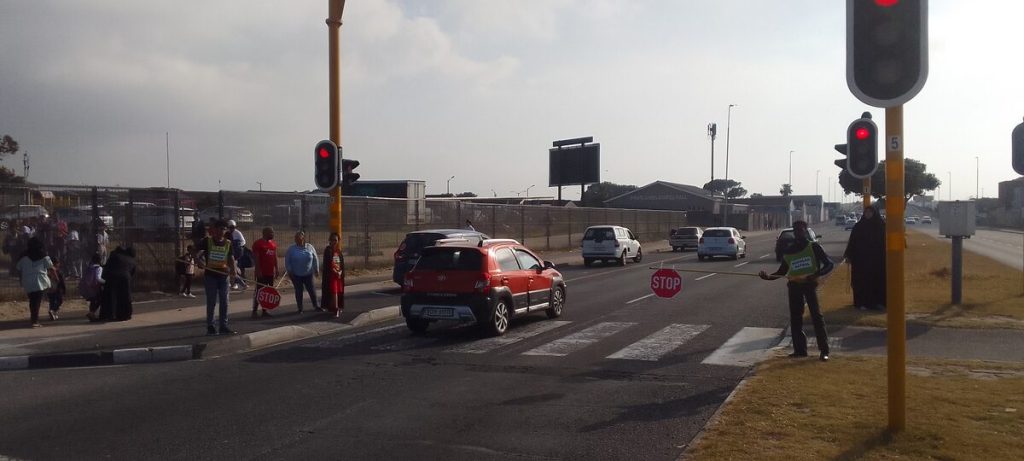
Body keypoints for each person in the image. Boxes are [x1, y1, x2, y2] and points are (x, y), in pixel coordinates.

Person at [759, 220, 835, 362]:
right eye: (795, 230)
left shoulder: (814, 247)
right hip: (794, 287)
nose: (798, 232)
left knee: (816, 317)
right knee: (795, 319)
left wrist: (816, 274)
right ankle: (800, 350)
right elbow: (781, 272)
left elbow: (829, 264)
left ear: (805, 231)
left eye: (800, 230)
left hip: (810, 286)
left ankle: (824, 350)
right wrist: (767, 277)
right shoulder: (789, 250)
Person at [196, 219, 236, 335]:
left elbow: (231, 259)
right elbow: (194, 251)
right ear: (214, 229)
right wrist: (198, 261)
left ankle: (223, 325)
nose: (221, 231)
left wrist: (233, 273)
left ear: (226, 230)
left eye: (223, 229)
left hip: (224, 276)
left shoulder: (228, 243)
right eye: (219, 229)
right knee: (211, 301)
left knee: (224, 301)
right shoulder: (207, 241)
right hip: (211, 276)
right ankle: (211, 326)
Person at [844, 205, 887, 311]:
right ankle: (861, 303)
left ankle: (879, 303)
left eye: (870, 212)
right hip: (861, 261)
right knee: (861, 282)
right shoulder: (859, 226)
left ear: (874, 213)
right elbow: (852, 241)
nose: (868, 214)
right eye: (866, 212)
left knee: (878, 281)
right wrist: (849, 255)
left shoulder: (881, 225)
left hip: (878, 260)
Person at [14, 237, 54, 328]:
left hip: (27, 282)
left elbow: (18, 268)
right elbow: (50, 266)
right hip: (40, 281)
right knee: (36, 301)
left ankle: (34, 319)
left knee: (32, 301)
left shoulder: (23, 256)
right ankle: (34, 321)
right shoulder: (44, 255)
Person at [285, 231, 320, 313]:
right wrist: (290, 271)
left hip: (308, 273)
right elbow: (287, 261)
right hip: (296, 274)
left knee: (311, 290)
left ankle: (316, 306)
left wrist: (316, 269)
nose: (296, 239)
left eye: (298, 238)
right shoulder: (291, 249)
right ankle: (300, 308)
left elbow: (315, 258)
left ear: (303, 238)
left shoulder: (310, 247)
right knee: (298, 291)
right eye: (295, 238)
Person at [99, 246, 136, 321]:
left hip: (113, 276)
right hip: (125, 278)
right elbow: (132, 273)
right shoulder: (132, 260)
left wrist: (104, 278)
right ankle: (125, 314)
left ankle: (110, 314)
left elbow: (107, 267)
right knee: (125, 296)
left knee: (111, 296)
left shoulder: (115, 256)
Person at [250, 227, 279, 319]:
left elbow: (274, 257)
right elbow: (256, 259)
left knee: (268, 292)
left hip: (270, 273)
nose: (273, 234)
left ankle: (265, 310)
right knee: (259, 292)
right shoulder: (258, 244)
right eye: (271, 233)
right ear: (265, 233)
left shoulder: (273, 244)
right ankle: (254, 311)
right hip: (262, 273)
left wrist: (277, 269)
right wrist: (258, 271)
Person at [321, 232, 344, 319]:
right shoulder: (328, 250)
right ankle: (336, 309)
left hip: (338, 276)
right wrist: (336, 272)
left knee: (338, 293)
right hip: (331, 276)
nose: (334, 241)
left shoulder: (338, 251)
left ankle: (336, 307)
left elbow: (341, 264)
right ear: (330, 240)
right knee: (334, 293)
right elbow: (329, 264)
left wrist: (340, 272)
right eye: (332, 240)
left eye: (336, 240)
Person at [82, 253, 106, 321]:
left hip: (87, 287)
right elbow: (98, 278)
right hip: (95, 287)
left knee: (93, 301)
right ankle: (92, 313)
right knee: (99, 300)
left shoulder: (89, 267)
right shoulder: (99, 268)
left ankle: (91, 313)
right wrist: (106, 282)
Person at [226, 220, 248, 290]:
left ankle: (240, 284)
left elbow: (243, 241)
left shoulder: (237, 233)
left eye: (233, 227)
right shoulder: (227, 233)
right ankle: (236, 283)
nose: (232, 229)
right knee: (231, 270)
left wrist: (238, 246)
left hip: (236, 253)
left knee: (232, 269)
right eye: (230, 227)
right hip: (228, 253)